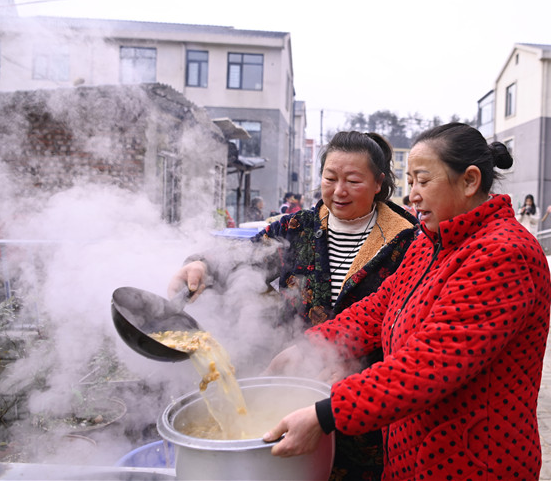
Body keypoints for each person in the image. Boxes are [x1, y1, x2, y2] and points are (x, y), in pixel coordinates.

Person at [260, 123, 551, 480]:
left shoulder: (504, 254)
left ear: (470, 181)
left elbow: (430, 362)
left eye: (423, 181)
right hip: (411, 451)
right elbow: (380, 306)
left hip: (472, 460)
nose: (412, 195)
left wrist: (326, 414)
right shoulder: (431, 239)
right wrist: (312, 345)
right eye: (411, 181)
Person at [171, 131, 419, 481]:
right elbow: (243, 257)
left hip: (365, 403)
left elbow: (410, 327)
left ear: (378, 183)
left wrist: (356, 361)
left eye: (353, 181)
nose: (338, 191)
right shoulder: (297, 228)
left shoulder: (408, 241)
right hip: (290, 383)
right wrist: (201, 264)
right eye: (330, 178)